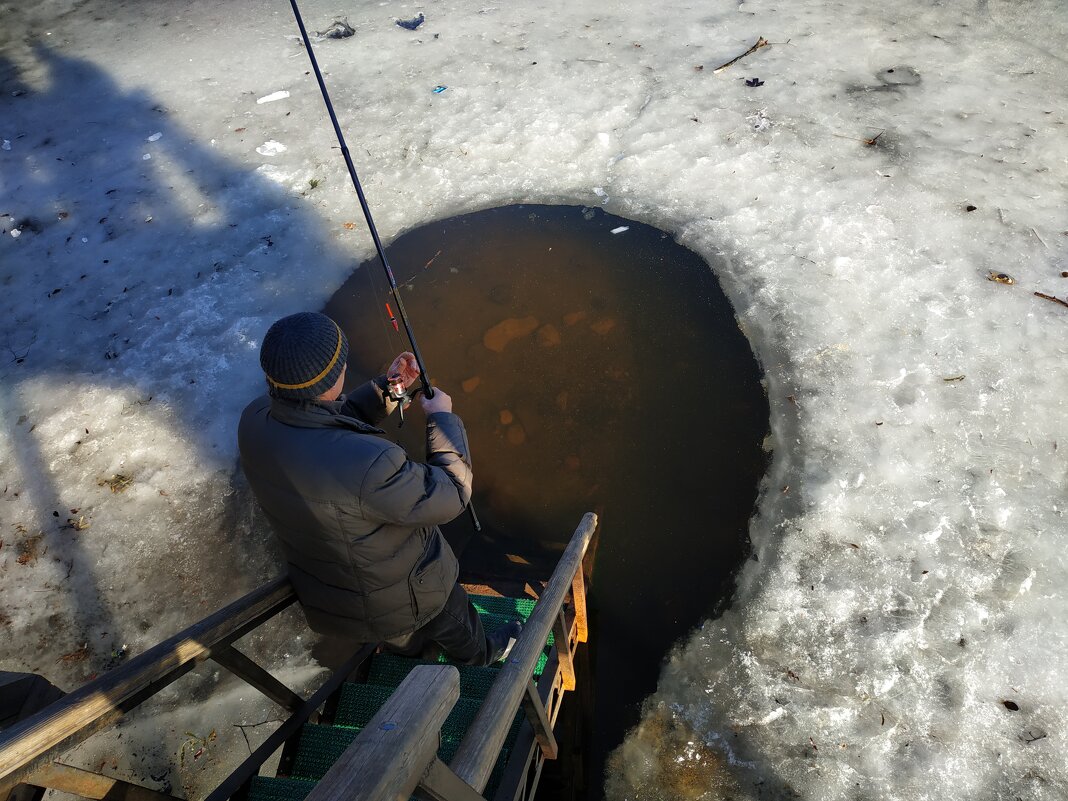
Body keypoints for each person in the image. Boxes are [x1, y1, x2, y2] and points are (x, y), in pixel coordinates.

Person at [238, 311, 520, 665]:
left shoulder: (255, 419)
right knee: (461, 631)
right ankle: (487, 654)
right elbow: (451, 492)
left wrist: (389, 389)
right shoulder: (369, 463)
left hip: (339, 595)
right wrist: (442, 419)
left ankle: (418, 659)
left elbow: (322, 427)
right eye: (341, 364)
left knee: (406, 644)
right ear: (334, 374)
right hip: (409, 591)